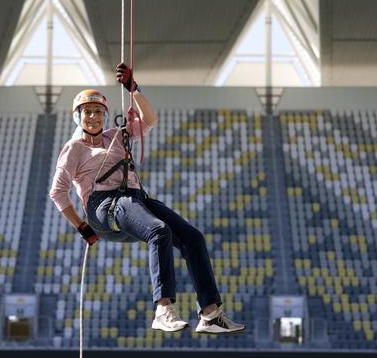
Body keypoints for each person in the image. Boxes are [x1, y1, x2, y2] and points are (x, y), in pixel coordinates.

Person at [49, 63, 245, 334]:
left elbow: (150, 120)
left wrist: (133, 89)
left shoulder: (116, 136)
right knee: (159, 230)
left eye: (98, 111)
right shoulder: (74, 149)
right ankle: (163, 310)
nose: (93, 116)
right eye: (87, 112)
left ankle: (211, 314)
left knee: (193, 238)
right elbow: (57, 192)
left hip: (134, 199)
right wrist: (82, 227)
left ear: (105, 115)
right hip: (103, 206)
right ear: (78, 117)